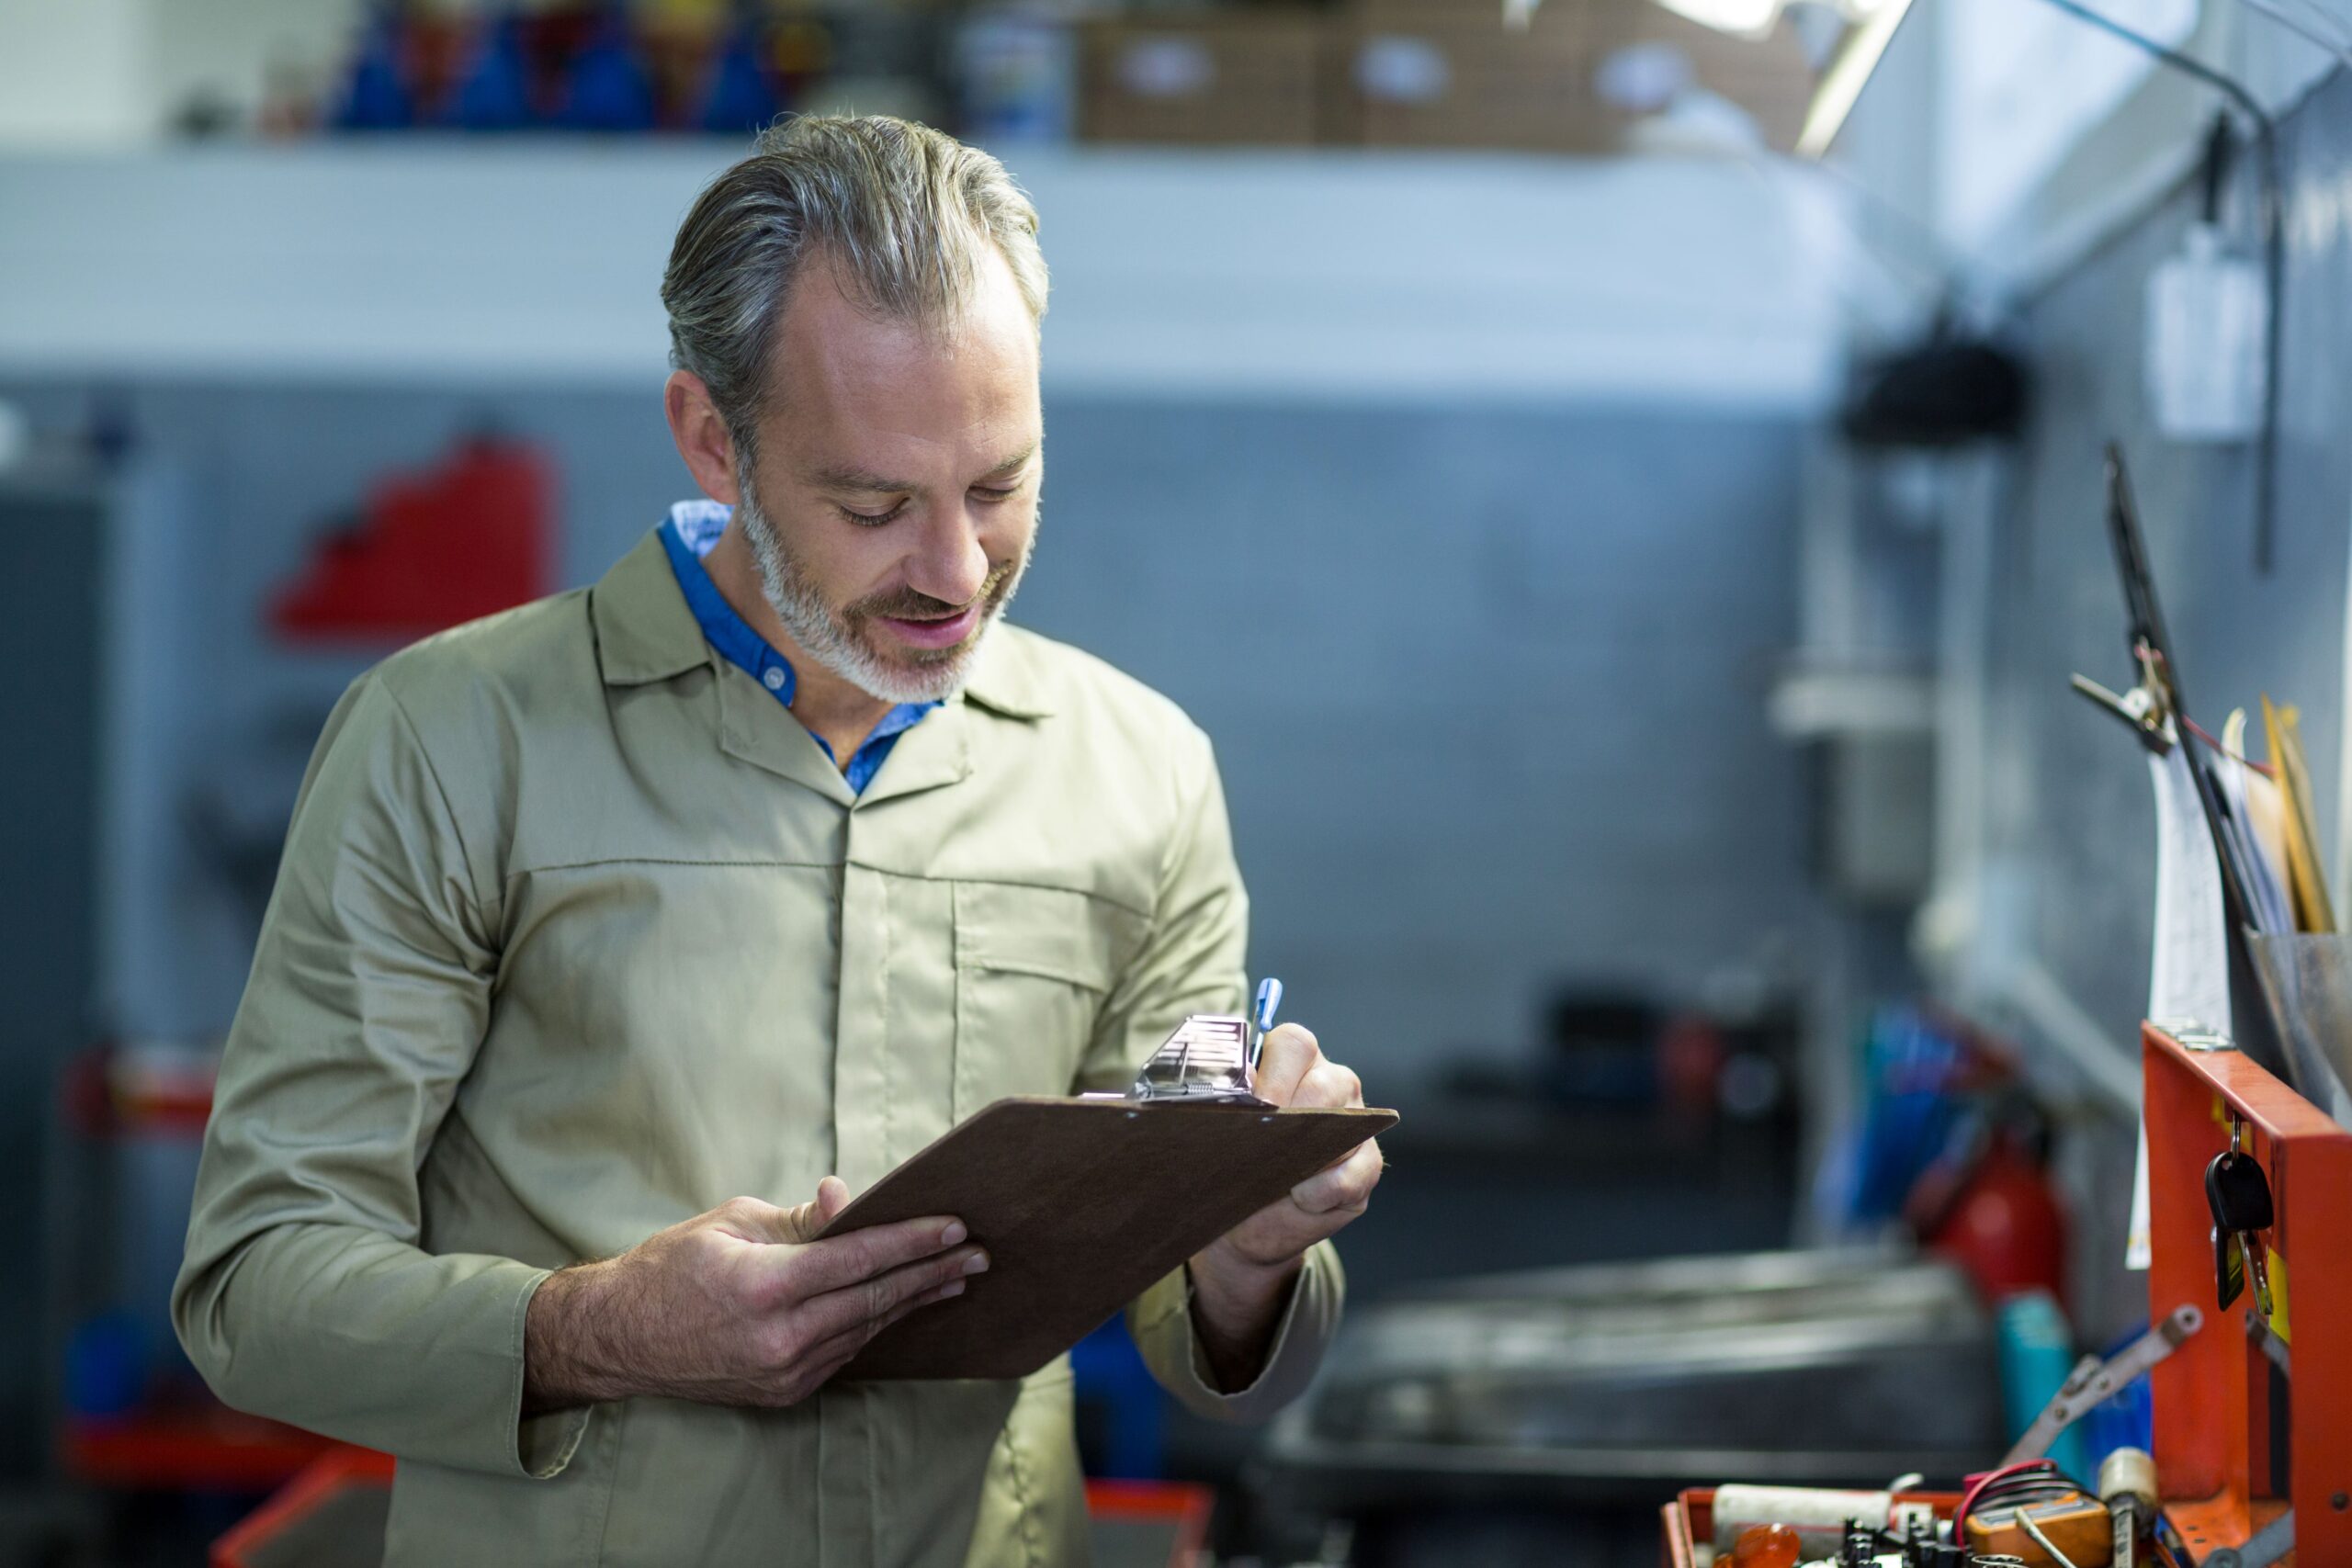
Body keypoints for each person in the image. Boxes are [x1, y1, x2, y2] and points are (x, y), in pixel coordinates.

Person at [173, 114, 1384, 1566]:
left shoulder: (1137, 772)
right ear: (712, 437)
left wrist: (1246, 1250)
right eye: (875, 504)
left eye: (1000, 485)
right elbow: (254, 1289)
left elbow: (1219, 1355)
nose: (954, 572)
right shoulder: (450, 741)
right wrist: (597, 1331)